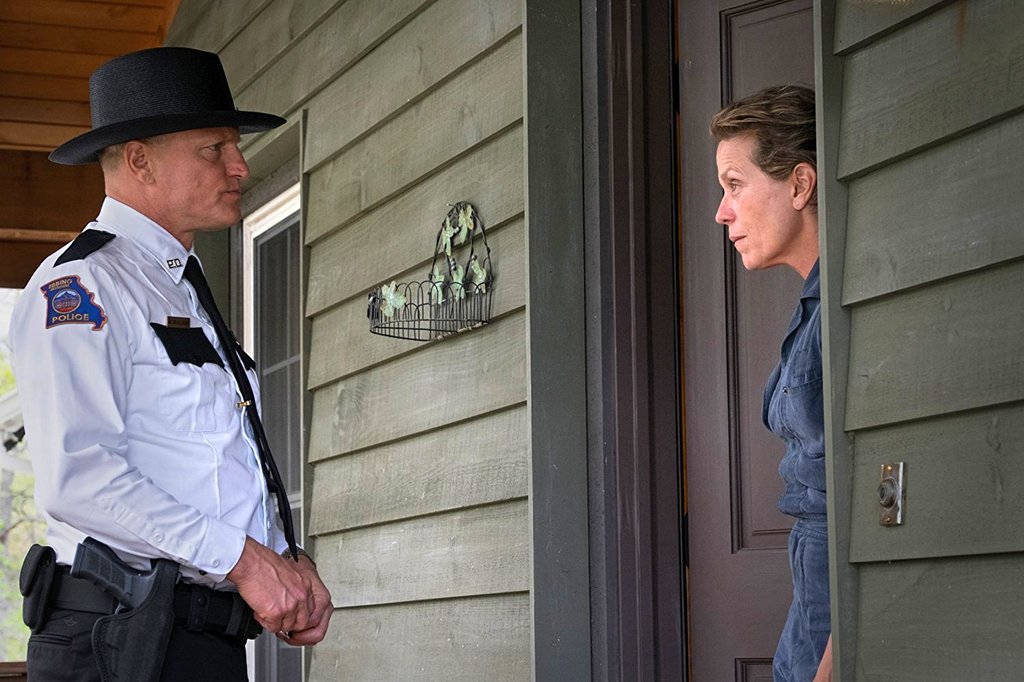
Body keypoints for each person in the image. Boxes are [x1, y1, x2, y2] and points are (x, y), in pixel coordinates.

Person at [9, 47, 332, 681]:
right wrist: (245, 562)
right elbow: (81, 479)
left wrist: (284, 561)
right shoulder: (83, 288)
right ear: (139, 160)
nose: (239, 165)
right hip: (118, 643)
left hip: (194, 639)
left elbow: (207, 462)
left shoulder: (181, 287)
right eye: (215, 148)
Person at [710, 84, 832, 682]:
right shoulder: (810, 308)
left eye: (735, 185)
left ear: (800, 184)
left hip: (836, 622)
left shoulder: (845, 304)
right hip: (809, 614)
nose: (721, 211)